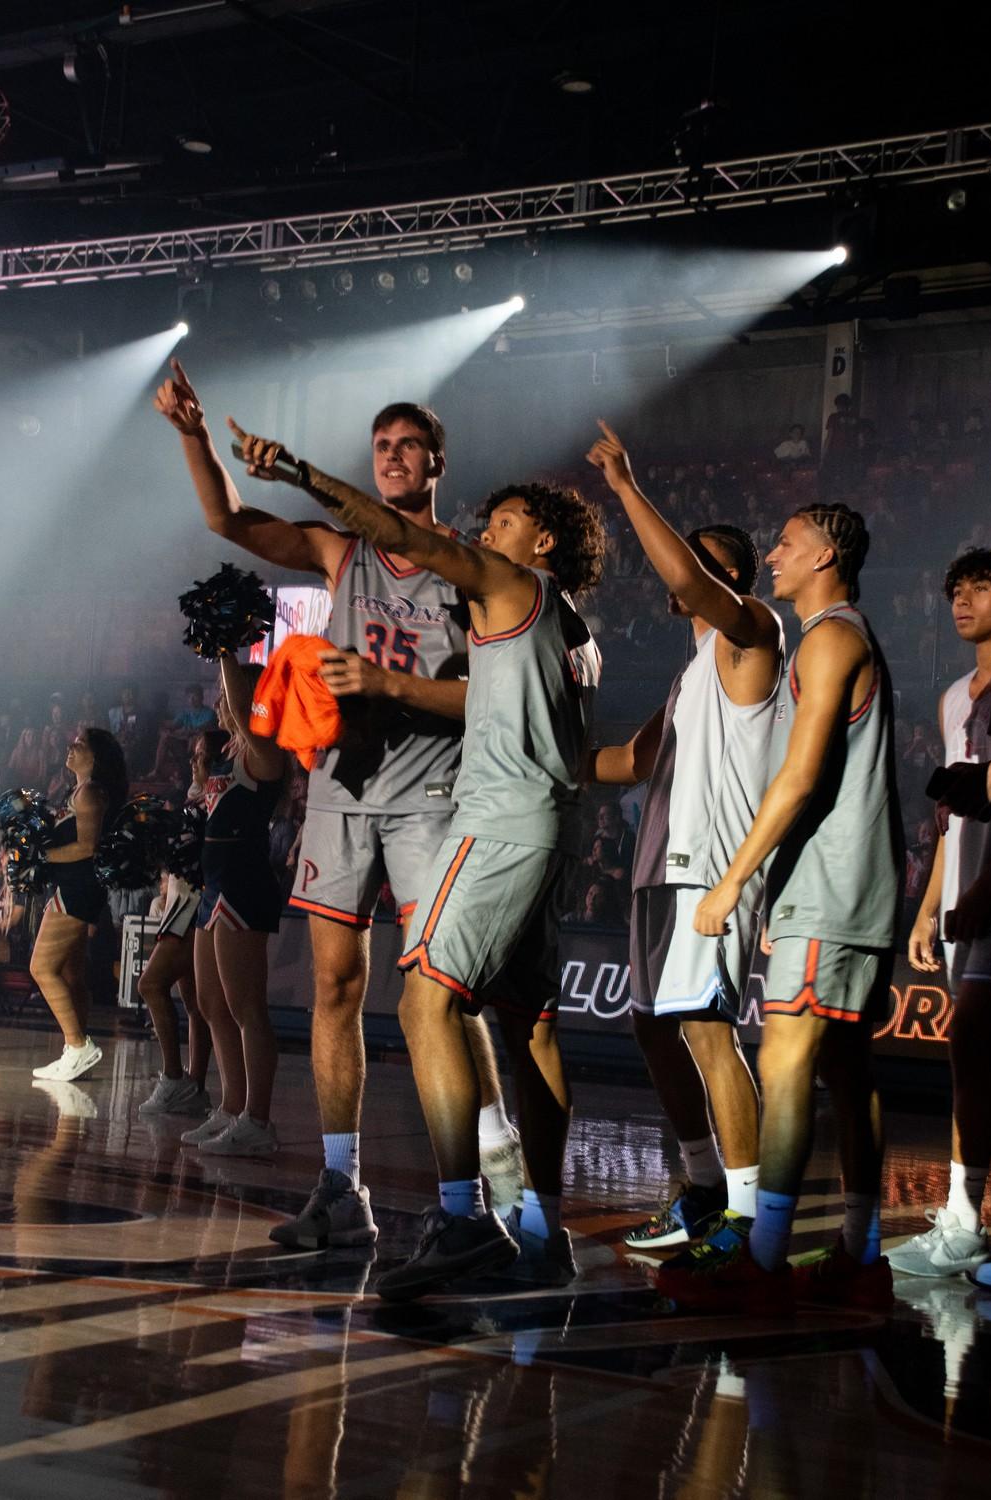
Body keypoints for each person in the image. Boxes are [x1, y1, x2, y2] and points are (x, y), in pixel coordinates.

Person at [231, 420, 604, 1296]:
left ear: (538, 541)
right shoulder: (572, 630)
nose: (482, 534)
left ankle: (467, 1216)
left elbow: (406, 536)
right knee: (530, 1023)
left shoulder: (515, 588)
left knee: (426, 1003)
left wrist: (297, 470)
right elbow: (599, 755)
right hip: (544, 824)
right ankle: (542, 1225)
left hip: (496, 825)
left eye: (501, 521)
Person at [154, 360, 522, 1243]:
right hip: (341, 795)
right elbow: (228, 518)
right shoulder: (340, 550)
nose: (393, 455)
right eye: (382, 446)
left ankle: (491, 1172)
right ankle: (339, 1184)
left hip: (433, 794)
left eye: (408, 446)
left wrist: (388, 685)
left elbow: (492, 697)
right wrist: (194, 436)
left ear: (437, 463)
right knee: (332, 986)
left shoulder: (470, 567)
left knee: (444, 993)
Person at [676, 502, 901, 1312]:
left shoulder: (832, 637)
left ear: (827, 554)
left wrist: (735, 880)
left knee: (785, 1061)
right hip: (845, 881)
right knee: (847, 1069)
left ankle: (765, 1259)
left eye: (787, 542)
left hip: (833, 882)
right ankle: (859, 1253)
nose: (773, 552)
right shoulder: (836, 635)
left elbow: (801, 777)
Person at [585, 422, 783, 1256]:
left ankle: (746, 1218)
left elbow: (687, 574)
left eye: (694, 562)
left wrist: (628, 488)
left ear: (719, 577)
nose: (673, 576)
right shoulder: (689, 671)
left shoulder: (753, 633)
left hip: (712, 867)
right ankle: (703, 1189)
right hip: (657, 868)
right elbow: (630, 761)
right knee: (654, 1029)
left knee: (708, 1031)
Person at [887, 550, 991, 1278]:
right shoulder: (956, 694)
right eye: (954, 589)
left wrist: (984, 892)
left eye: (980, 587)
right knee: (974, 1059)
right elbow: (952, 816)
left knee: (977, 1055)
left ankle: (965, 1222)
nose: (962, 600)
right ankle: (963, 1220)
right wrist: (930, 904)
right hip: (968, 903)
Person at [177, 658, 285, 1156]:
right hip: (214, 885)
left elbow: (242, 709)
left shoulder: (265, 748)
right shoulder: (228, 753)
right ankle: (230, 1106)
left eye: (229, 692)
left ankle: (258, 1119)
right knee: (209, 1004)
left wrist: (224, 651)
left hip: (244, 884)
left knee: (246, 1007)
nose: (220, 700)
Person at [137, 728, 227, 1118]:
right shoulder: (195, 798)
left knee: (151, 984)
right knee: (193, 1003)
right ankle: (195, 1086)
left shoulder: (217, 801)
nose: (193, 762)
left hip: (193, 906)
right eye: (192, 755)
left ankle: (174, 1078)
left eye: (202, 755)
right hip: (180, 902)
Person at [31, 727, 128, 1082]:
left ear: (96, 757)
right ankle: (74, 1051)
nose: (71, 747)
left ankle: (78, 1045)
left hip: (77, 888)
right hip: (74, 886)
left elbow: (88, 847)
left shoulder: (89, 793)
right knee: (72, 975)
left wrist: (40, 855)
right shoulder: (80, 790)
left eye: (80, 744)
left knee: (41, 969)